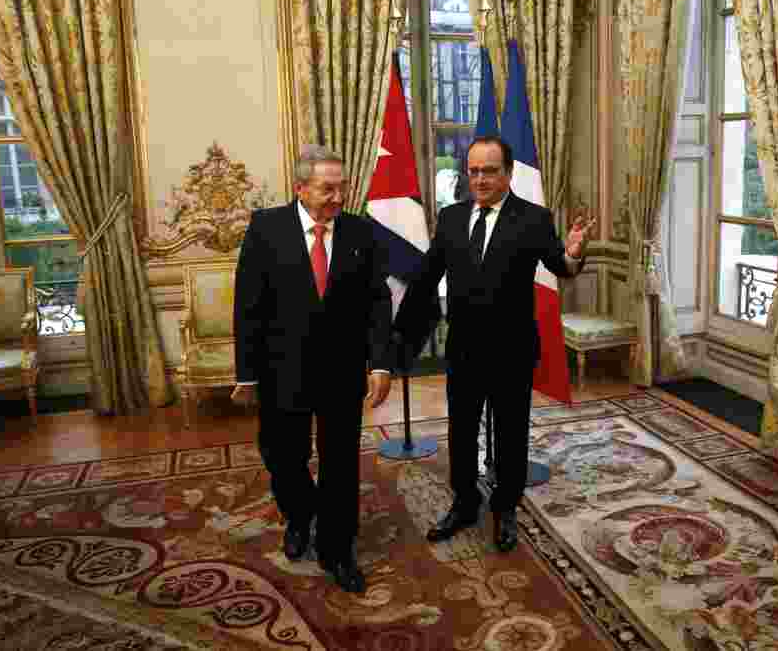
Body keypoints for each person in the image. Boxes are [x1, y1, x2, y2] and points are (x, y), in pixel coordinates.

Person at [395, 135, 596, 552]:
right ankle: (465, 502)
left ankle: (506, 507)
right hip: (464, 350)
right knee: (462, 432)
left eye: (490, 171)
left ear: (507, 173)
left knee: (510, 434)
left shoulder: (533, 218)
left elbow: (561, 264)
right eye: (474, 171)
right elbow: (428, 275)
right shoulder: (450, 218)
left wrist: (575, 251)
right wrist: (397, 333)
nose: (481, 179)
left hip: (512, 349)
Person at [231, 145, 394, 593]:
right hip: (282, 370)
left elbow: (378, 302)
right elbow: (248, 305)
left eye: (342, 187)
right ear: (300, 188)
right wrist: (247, 373)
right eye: (327, 189)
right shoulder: (267, 228)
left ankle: (338, 550)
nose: (338, 197)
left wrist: (380, 363)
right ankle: (300, 515)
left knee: (340, 463)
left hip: (342, 371)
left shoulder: (361, 232)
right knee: (284, 457)